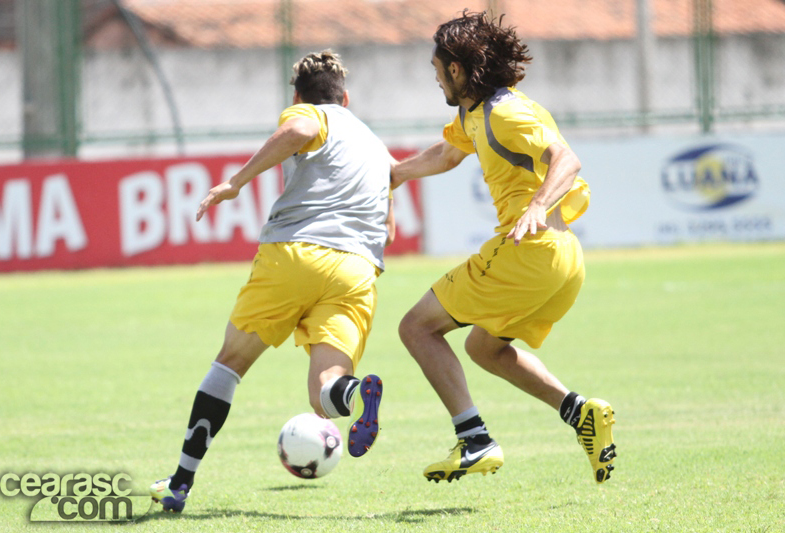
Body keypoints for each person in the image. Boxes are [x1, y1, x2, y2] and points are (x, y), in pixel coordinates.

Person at [150, 50, 394, 512]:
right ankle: (355, 393)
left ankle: (180, 481)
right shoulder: (373, 142)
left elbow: (300, 130)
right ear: (347, 97)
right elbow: (389, 219)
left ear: (299, 95)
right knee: (324, 394)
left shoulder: (308, 113)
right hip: (358, 270)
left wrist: (237, 182)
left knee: (228, 365)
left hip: (297, 253)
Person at [391, 11, 617, 484]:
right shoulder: (474, 113)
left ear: (456, 69)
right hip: (562, 260)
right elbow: (449, 153)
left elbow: (566, 160)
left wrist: (537, 204)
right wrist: (396, 174)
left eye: (437, 71)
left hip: (528, 251)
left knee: (416, 328)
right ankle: (579, 413)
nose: (436, 81)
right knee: (485, 348)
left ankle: (474, 441)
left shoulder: (506, 114)